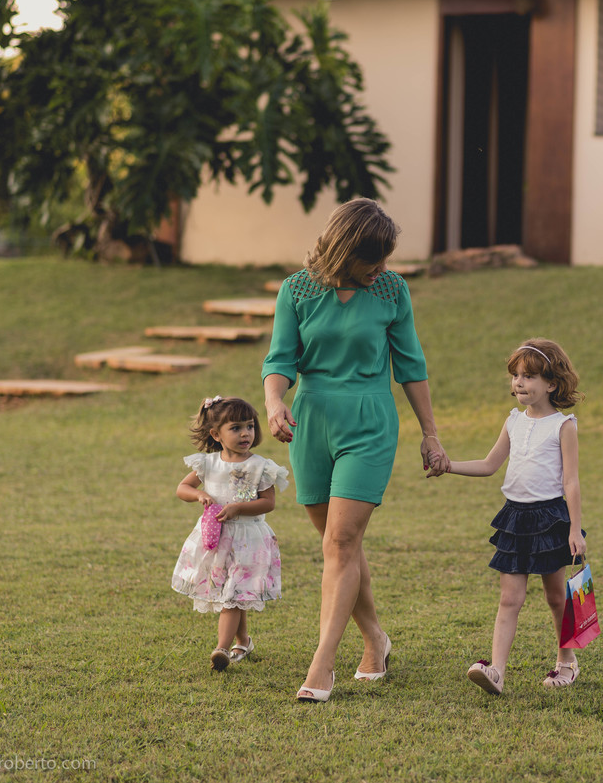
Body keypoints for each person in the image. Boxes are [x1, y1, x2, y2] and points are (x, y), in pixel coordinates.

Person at [262, 198, 448, 703]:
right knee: (338, 544)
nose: (383, 268)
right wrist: (275, 401)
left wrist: (430, 433)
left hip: (368, 422)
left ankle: (322, 665)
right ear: (346, 251)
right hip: (312, 422)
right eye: (375, 260)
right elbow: (281, 357)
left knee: (341, 543)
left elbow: (410, 363)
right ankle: (375, 640)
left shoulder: (391, 290)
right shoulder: (297, 290)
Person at [428, 338, 588, 694]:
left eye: (529, 376)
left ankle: (567, 662)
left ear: (551, 383)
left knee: (556, 597)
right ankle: (496, 670)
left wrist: (575, 529)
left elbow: (571, 482)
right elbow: (489, 465)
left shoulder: (564, 426)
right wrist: (449, 466)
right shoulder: (513, 421)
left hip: (550, 518)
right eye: (515, 375)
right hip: (515, 518)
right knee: (509, 598)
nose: (519, 382)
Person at [171, 395, 289, 671]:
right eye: (235, 428)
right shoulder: (208, 464)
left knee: (234, 595)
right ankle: (244, 641)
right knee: (231, 593)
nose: (245, 433)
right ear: (216, 434)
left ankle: (222, 648)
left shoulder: (261, 466)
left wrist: (238, 508)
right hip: (217, 540)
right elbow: (181, 489)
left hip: (250, 540)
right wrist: (198, 494)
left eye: (249, 426)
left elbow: (268, 502)